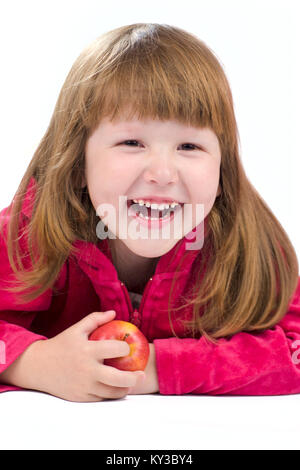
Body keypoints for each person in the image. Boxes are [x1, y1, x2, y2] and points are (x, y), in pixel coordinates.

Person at [0, 23, 299, 403]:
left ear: (222, 173)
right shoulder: (28, 233)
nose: (162, 174)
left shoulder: (248, 243)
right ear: (77, 163)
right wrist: (31, 362)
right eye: (131, 142)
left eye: (189, 146)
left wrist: (157, 367)